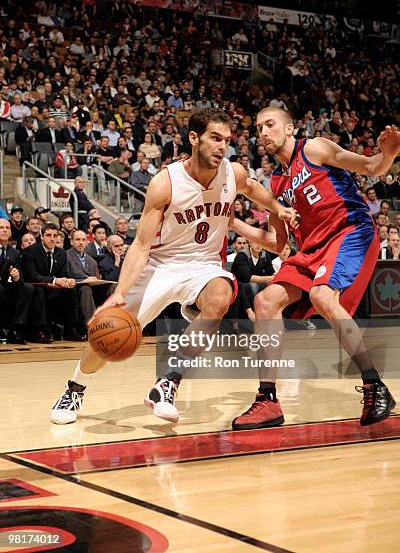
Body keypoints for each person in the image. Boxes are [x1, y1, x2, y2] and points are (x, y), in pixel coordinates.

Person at [51, 109, 296, 425]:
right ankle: (75, 388)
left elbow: (252, 188)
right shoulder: (166, 182)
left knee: (221, 298)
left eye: (226, 140)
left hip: (205, 267)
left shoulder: (232, 173)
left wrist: (278, 208)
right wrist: (119, 294)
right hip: (161, 266)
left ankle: (167, 384)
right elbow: (140, 245)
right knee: (110, 334)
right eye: (214, 138)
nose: (222, 147)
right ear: (194, 138)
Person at [232, 108, 400, 431]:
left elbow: (371, 166)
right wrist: (233, 222)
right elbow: (275, 243)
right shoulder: (277, 183)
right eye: (258, 128)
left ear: (290, 127)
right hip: (312, 248)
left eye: (270, 125)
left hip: (348, 230)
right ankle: (267, 400)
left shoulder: (312, 149)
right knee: (265, 303)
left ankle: (374, 385)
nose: (263, 132)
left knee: (322, 295)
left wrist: (388, 153)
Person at [0, 219, 35, 344]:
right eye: (1, 227)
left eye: (7, 228)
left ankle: (15, 329)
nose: (5, 230)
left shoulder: (15, 253)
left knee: (27, 288)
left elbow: (20, 280)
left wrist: (16, 277)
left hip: (7, 289)